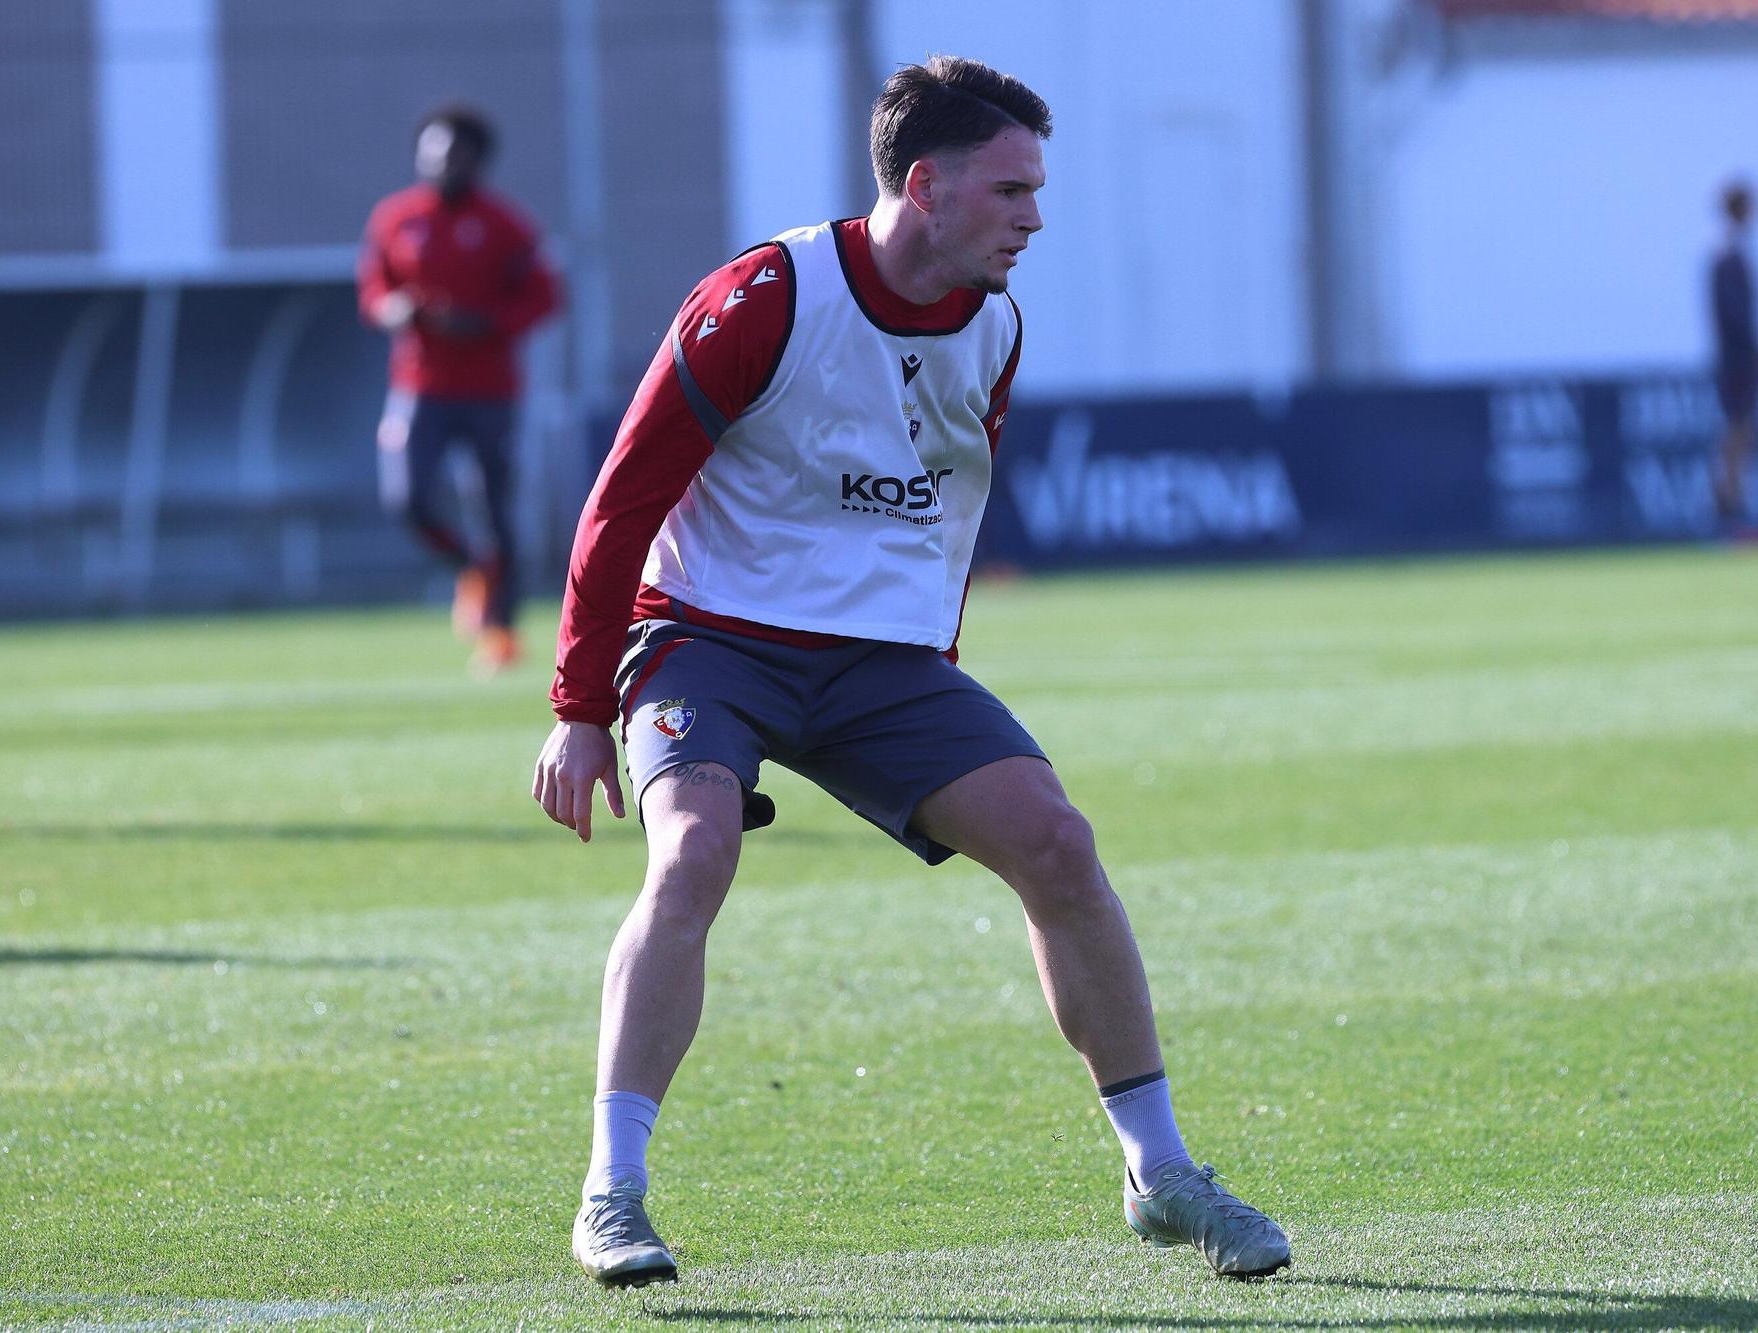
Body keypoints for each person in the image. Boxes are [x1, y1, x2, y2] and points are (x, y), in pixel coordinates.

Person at [531, 56, 1291, 1286]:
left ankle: (1160, 1174)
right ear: (926, 186)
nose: (1033, 217)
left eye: (1036, 190)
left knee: (1057, 842)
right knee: (693, 853)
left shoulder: (993, 327)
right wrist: (575, 707)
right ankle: (611, 1194)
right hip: (706, 637)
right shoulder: (762, 297)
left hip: (878, 665)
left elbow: (946, 506)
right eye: (1011, 190)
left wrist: (927, 679)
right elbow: (622, 502)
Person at [358, 103, 560, 674]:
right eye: (434, 151)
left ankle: (500, 632)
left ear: (477, 160)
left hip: (490, 390)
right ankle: (472, 571)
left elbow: (544, 297)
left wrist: (487, 323)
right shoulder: (395, 218)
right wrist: (392, 309)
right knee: (408, 499)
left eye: (455, 153)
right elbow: (373, 289)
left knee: (494, 509)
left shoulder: (506, 225)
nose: (443, 162)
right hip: (419, 386)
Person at [1708, 178, 1758, 532]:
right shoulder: (1727, 255)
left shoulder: (1732, 253)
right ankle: (1727, 513)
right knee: (1737, 433)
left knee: (1742, 433)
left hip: (1737, 362)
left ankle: (1731, 508)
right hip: (1736, 363)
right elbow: (1736, 316)